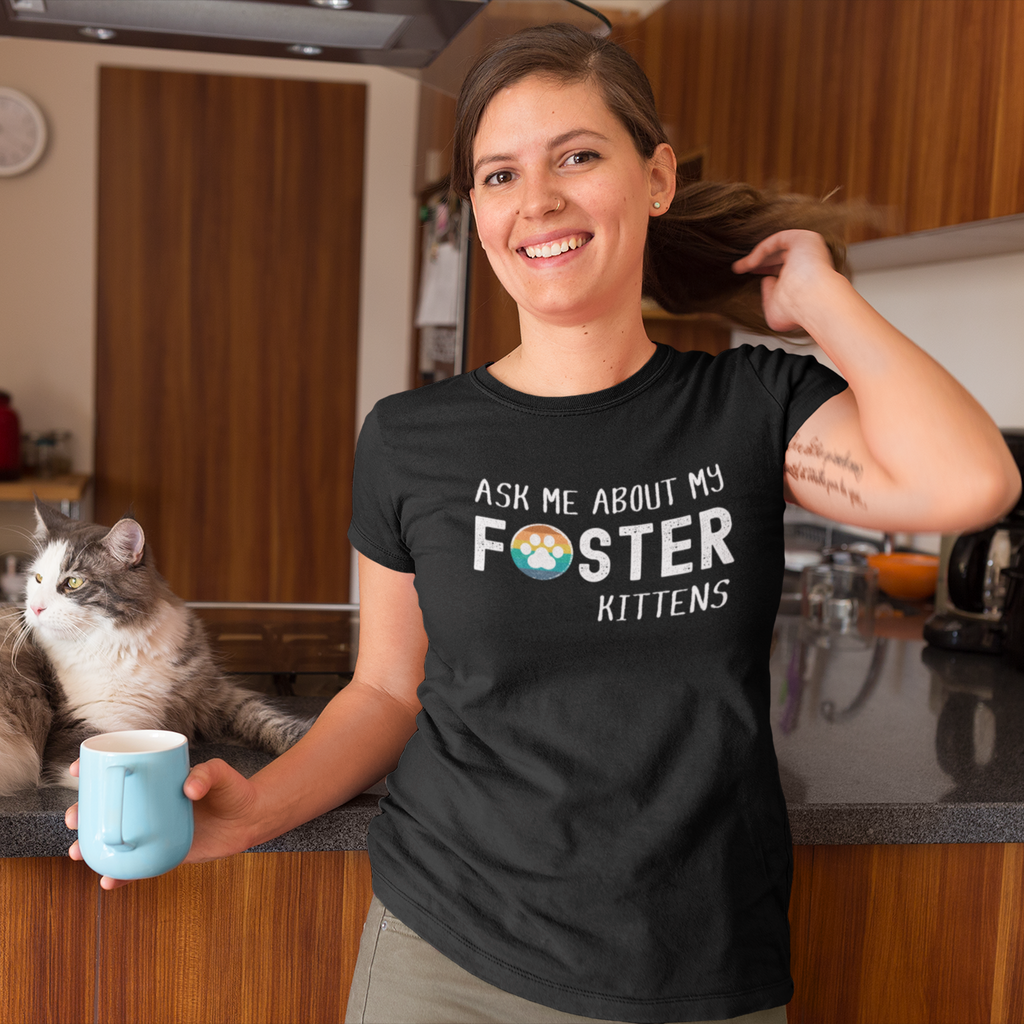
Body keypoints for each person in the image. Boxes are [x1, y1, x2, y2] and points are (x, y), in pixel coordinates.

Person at [66, 24, 1020, 1024]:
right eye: (499, 174)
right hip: (444, 956)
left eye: (576, 155)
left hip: (697, 965)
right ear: (475, 208)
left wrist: (824, 299)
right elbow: (387, 689)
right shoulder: (408, 438)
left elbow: (970, 481)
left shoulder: (748, 408)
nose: (539, 202)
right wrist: (258, 806)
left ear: (655, 177)